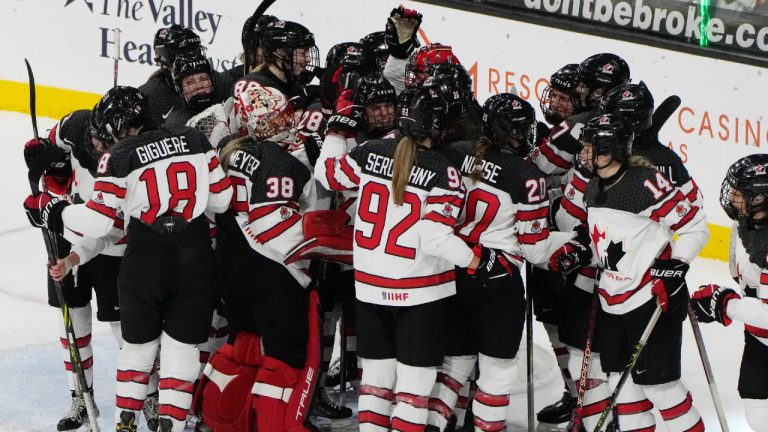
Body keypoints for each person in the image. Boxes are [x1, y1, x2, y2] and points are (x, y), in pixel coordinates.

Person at [23, 86, 233, 432]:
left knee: (136, 350)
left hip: (144, 262)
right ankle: (171, 425)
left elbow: (98, 221)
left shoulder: (119, 158)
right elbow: (222, 202)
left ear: (123, 127)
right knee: (181, 351)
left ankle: (125, 425)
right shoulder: (196, 140)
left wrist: (54, 211)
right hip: (194, 259)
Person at [315, 84, 513, 431]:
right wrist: (477, 262)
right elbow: (435, 237)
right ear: (435, 126)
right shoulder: (442, 168)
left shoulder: (368, 151)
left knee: (375, 387)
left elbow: (326, 175)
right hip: (421, 294)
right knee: (412, 393)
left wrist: (337, 130)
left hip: (370, 290)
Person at [551, 114, 709, 432]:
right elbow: (607, 238)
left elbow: (694, 226)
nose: (583, 153)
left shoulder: (645, 182)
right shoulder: (593, 185)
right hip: (611, 301)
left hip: (650, 299)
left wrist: (675, 267)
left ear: (610, 148)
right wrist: (581, 249)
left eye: (590, 147)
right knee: (623, 391)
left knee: (662, 389)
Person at [427, 93, 553, 432]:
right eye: (521, 129)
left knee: (453, 365)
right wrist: (568, 243)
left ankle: (432, 426)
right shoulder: (527, 175)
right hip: (499, 279)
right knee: (496, 374)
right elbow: (535, 250)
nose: (526, 134)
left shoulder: (455, 152)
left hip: (455, 269)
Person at [23, 107, 145, 430]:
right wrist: (41, 156)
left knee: (126, 328)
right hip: (67, 234)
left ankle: (148, 394)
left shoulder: (125, 161)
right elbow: (50, 143)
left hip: (108, 243)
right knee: (73, 325)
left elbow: (110, 228)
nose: (97, 147)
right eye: (93, 141)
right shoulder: (76, 126)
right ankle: (82, 397)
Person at [210, 83, 321, 432]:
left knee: (241, 347)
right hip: (269, 273)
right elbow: (276, 227)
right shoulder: (280, 161)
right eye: (280, 117)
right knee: (283, 357)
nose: (288, 121)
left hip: (229, 267)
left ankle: (222, 419)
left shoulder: (226, 153)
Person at [691, 154, 768, 432]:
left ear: (760, 199)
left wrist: (725, 305)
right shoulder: (742, 227)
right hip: (758, 338)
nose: (731, 197)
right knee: (758, 413)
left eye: (739, 193)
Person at [140, 25, 205, 126]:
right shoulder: (148, 97)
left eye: (194, 51)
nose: (191, 59)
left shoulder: (219, 81)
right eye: (180, 55)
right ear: (164, 60)